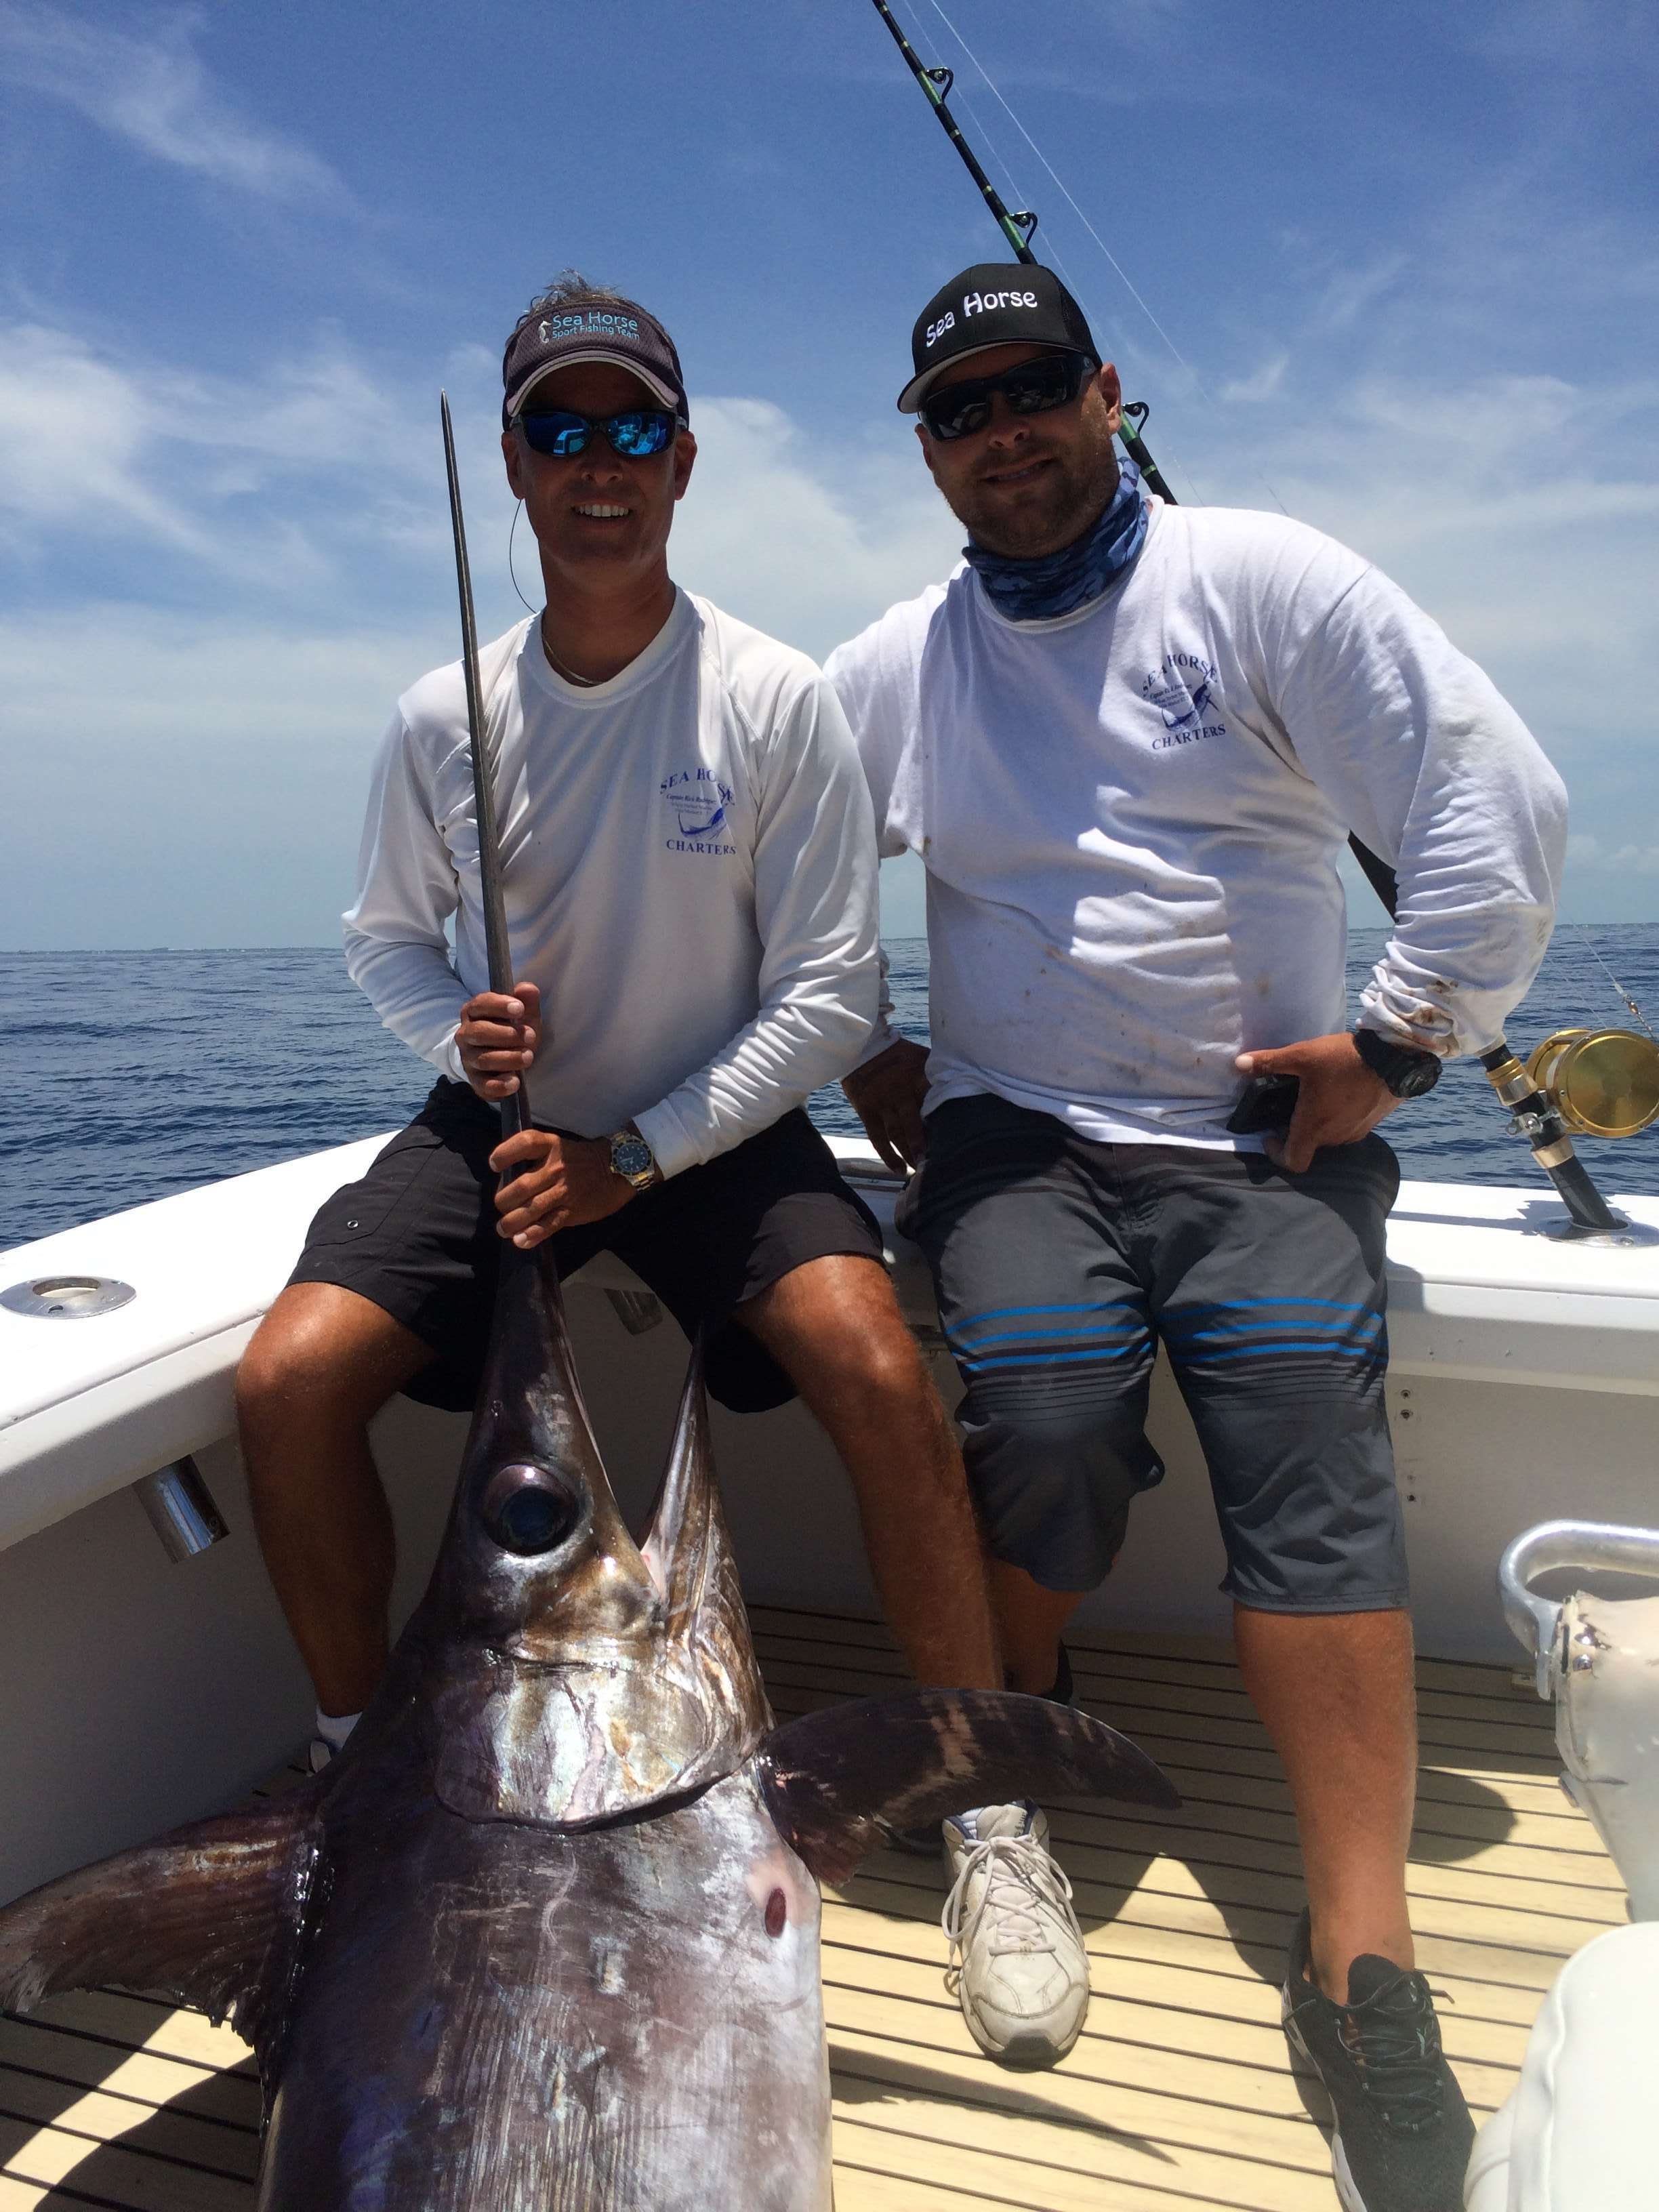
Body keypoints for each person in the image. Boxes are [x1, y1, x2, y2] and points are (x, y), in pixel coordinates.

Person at [825, 262, 1568, 2209]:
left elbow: (1500, 799)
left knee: (1303, 1454)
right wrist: (871, 1049)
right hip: (1012, 1139)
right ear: (925, 452)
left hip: (1264, 1134)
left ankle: (1363, 1965)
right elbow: (769, 874)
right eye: (962, 410)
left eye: (1036, 387)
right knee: (1044, 1416)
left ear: (1106, 390)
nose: (1007, 433)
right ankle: (1015, 1782)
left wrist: (1403, 1043)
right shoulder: (903, 662)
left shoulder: (1260, 580)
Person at [234, 274, 1000, 1797]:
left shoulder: (775, 699)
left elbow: (835, 997)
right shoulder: (440, 715)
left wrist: (636, 1158)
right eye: (561, 428)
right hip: (506, 1129)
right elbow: (383, 938)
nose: (601, 461)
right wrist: (462, 1042)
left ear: (685, 460)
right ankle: (353, 1764)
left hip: (714, 1123)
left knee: (881, 1370)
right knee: (288, 1384)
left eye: (634, 426)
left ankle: (983, 1797)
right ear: (515, 466)